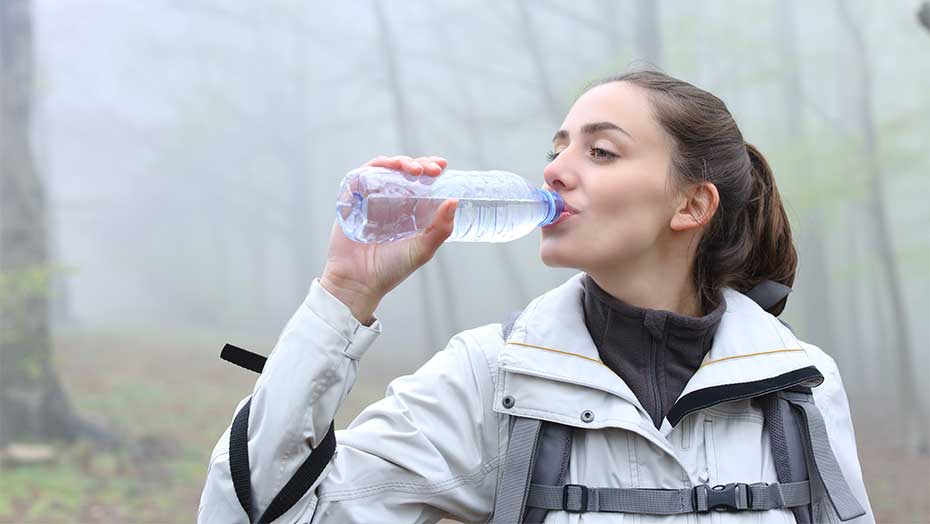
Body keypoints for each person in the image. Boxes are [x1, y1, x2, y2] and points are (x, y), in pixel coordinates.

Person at [198, 70, 874, 523]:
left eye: (600, 152)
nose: (554, 170)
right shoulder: (493, 376)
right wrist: (344, 293)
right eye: (558, 149)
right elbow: (260, 511)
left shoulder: (800, 388)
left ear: (691, 204)